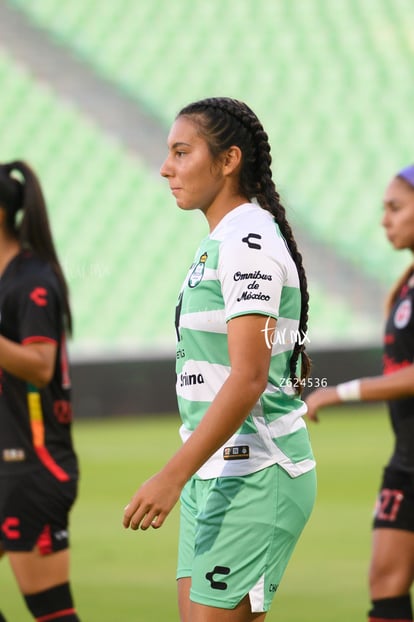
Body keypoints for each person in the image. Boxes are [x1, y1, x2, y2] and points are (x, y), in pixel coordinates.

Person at [123, 97, 317, 622]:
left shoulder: (247, 243)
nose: (167, 167)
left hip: (255, 471)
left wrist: (170, 477)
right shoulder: (220, 241)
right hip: (213, 473)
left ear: (229, 160)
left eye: (182, 152)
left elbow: (251, 377)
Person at [305, 164, 414, 622]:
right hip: (407, 456)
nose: (384, 219)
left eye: (395, 207)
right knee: (384, 582)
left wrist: (338, 393)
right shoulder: (404, 286)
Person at [0, 161, 81, 621]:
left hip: (31, 467)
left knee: (51, 611)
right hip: (6, 464)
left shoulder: (30, 280)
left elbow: (39, 366)